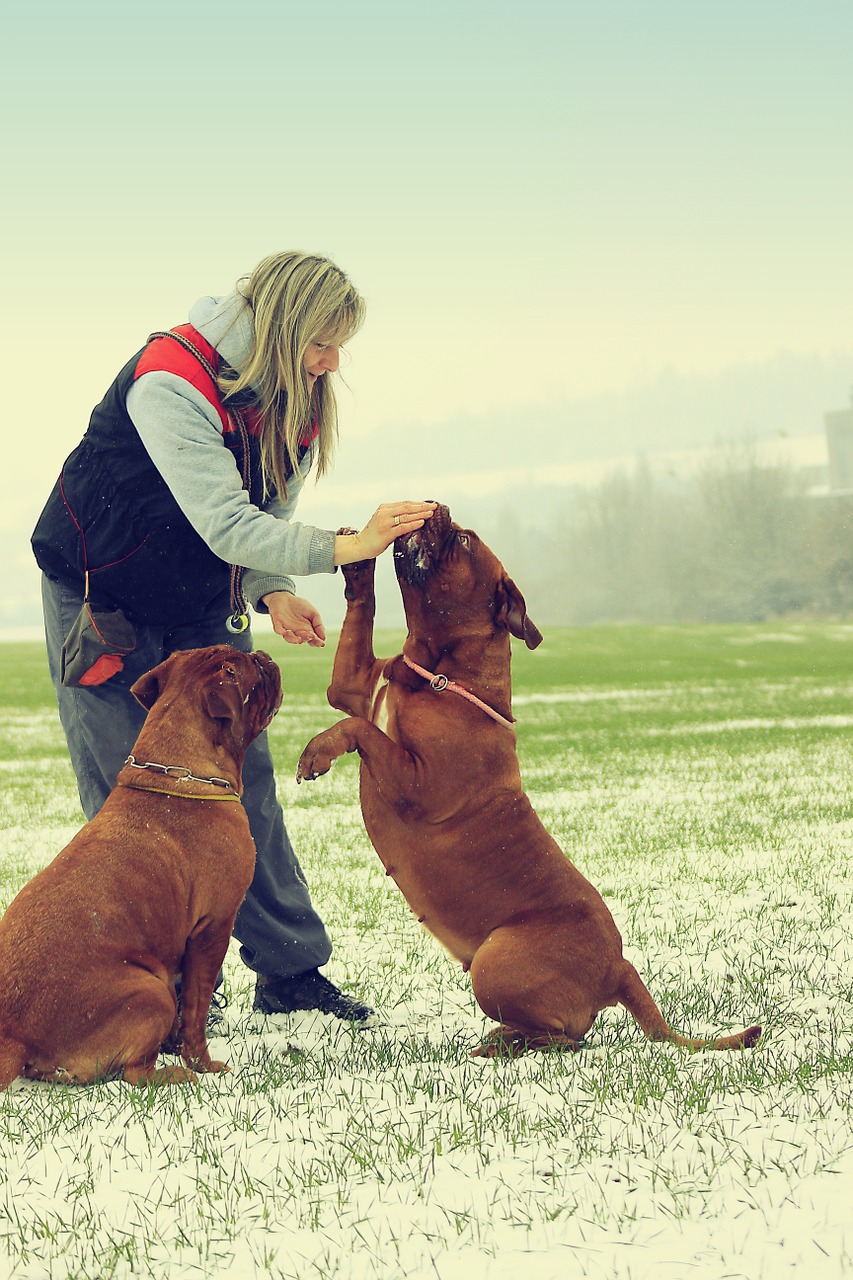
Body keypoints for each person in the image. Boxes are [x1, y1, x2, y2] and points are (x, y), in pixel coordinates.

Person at [31, 250, 436, 1027]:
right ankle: (168, 978)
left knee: (241, 781)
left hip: (195, 600)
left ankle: (288, 971)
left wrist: (271, 588)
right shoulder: (168, 382)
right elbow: (221, 518)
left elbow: (261, 523)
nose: (333, 360)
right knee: (130, 790)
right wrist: (348, 546)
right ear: (283, 328)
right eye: (323, 341)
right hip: (100, 599)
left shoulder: (297, 400)